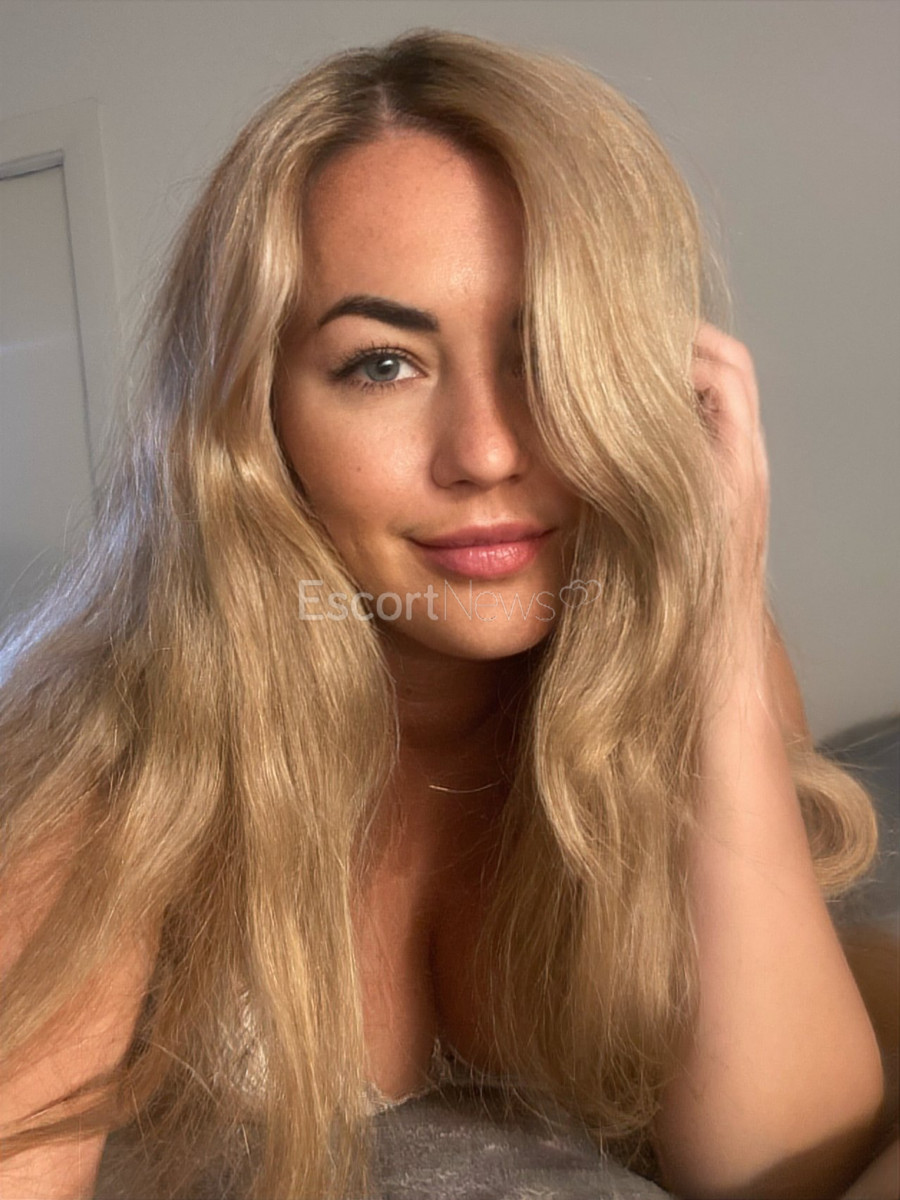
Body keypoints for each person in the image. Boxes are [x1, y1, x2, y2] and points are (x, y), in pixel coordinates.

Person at [0, 28, 892, 1200]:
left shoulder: (694, 669)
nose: (485, 451)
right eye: (382, 364)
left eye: (546, 352)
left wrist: (715, 612)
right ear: (255, 414)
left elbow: (786, 1172)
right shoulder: (108, 754)